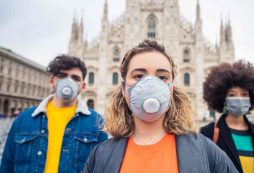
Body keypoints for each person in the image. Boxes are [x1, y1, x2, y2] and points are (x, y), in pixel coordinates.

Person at [83, 40, 238, 173]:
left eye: (162, 77)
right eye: (139, 76)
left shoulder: (205, 151)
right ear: (123, 89)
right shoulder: (101, 155)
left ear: (171, 88)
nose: (150, 83)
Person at [0, 55, 108, 173]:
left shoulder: (96, 122)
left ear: (83, 86)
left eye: (75, 78)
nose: (68, 82)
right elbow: (7, 165)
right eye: (62, 76)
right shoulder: (24, 119)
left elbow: (102, 168)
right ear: (52, 81)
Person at [200, 61, 254, 173]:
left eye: (244, 94)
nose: (239, 98)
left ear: (252, 97)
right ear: (223, 98)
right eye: (232, 95)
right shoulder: (208, 134)